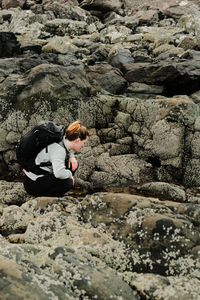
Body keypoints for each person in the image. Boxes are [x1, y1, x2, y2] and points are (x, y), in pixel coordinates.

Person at [23, 120, 89, 197]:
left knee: (73, 165)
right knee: (68, 182)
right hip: (33, 184)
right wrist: (70, 175)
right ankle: (47, 196)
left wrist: (72, 157)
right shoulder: (58, 150)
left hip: (37, 177)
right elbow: (59, 173)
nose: (83, 146)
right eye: (83, 143)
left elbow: (67, 149)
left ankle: (55, 190)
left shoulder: (61, 139)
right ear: (77, 140)